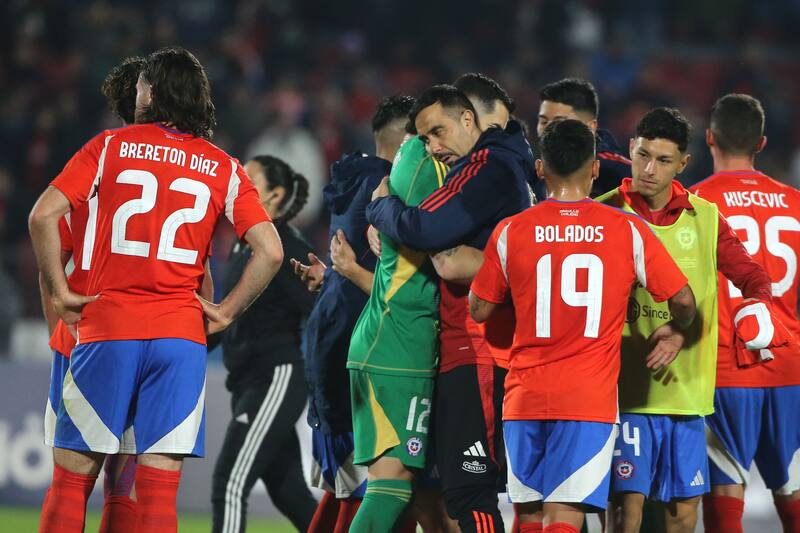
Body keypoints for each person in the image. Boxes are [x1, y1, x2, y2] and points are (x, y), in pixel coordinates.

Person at [29, 47, 282, 533]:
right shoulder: (223, 165)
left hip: (105, 328)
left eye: (143, 82)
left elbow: (43, 217)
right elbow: (269, 251)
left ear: (154, 91)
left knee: (71, 481)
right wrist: (226, 312)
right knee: (156, 491)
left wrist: (61, 298)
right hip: (180, 337)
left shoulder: (108, 149)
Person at [469, 118, 696, 533]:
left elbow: (479, 308)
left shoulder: (510, 230)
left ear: (540, 169)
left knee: (530, 514)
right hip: (587, 400)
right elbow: (682, 299)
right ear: (595, 169)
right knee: (566, 514)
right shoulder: (628, 230)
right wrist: (678, 328)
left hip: (523, 396)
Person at [596, 107, 773, 533]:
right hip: (625, 397)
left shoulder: (707, 218)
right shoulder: (604, 213)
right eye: (641, 156)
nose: (648, 169)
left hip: (689, 401)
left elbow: (754, 278)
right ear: (631, 152)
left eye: (661, 160)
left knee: (683, 518)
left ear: (683, 165)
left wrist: (755, 313)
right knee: (625, 514)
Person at [367, 82, 533, 532]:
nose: (435, 147)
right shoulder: (508, 163)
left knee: (469, 493)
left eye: (438, 131)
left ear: (468, 120)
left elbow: (424, 227)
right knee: (452, 493)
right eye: (425, 139)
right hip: (473, 347)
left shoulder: (488, 164)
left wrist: (379, 209)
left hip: (478, 347)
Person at [38, 55, 163, 533]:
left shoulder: (96, 161)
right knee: (124, 481)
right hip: (155, 339)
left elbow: (52, 252)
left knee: (69, 482)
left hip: (86, 335)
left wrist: (57, 324)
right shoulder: (186, 172)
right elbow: (200, 273)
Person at [297, 96, 414, 533]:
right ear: (407, 142)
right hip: (364, 351)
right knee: (373, 492)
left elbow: (351, 271)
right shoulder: (391, 192)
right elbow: (392, 286)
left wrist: (335, 277)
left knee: (345, 490)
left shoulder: (352, 179)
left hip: (329, 338)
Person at [689, 94, 800, 533]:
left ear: (710, 138)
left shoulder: (695, 205)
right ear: (762, 142)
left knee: (727, 492)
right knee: (791, 489)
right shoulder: (795, 202)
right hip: (789, 365)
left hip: (727, 367)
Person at [339, 121, 446, 530]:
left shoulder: (410, 165)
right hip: (396, 353)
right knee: (392, 483)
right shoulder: (424, 163)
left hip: (393, 346)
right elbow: (440, 235)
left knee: (407, 490)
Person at [210, 155, 317, 533]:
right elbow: (229, 318)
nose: (237, 185)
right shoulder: (246, 246)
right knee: (291, 494)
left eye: (249, 179)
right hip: (249, 380)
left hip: (276, 376)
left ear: (274, 195)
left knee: (230, 482)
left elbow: (323, 307)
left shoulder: (284, 246)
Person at [535, 78, 630, 199]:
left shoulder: (622, 174)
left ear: (590, 127)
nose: (549, 129)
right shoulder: (530, 174)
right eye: (543, 121)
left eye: (559, 122)